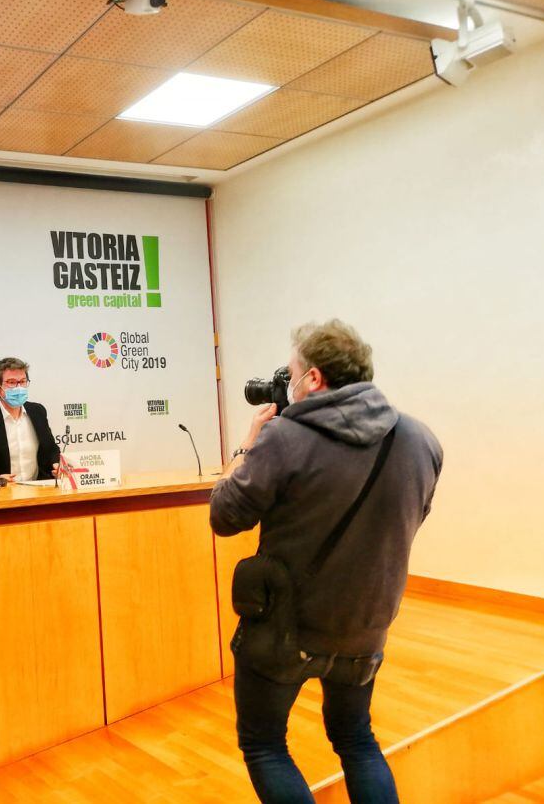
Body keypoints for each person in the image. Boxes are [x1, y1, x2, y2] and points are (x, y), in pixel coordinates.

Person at [210, 320, 443, 804]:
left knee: (265, 744)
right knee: (357, 740)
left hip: (285, 628)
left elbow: (225, 516)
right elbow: (412, 517)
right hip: (365, 624)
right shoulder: (421, 439)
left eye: (291, 372)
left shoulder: (284, 438)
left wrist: (250, 444)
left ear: (313, 379)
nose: (288, 382)